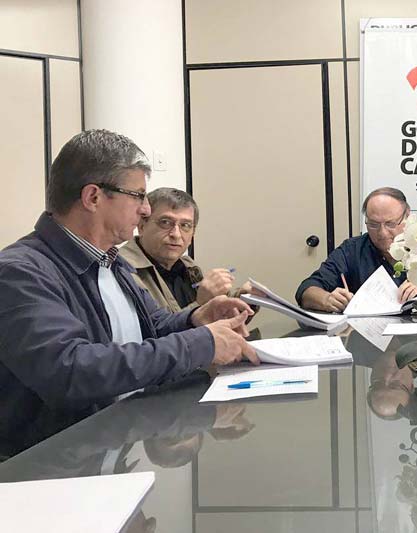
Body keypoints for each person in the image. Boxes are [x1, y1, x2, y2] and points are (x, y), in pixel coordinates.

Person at [0, 130, 259, 441]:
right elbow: (70, 371)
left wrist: (196, 319)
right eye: (138, 195)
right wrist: (201, 344)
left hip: (118, 441)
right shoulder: (20, 272)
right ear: (93, 197)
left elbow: (154, 327)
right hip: (52, 460)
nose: (146, 209)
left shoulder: (111, 261)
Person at [296, 187, 417, 312]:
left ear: (407, 217)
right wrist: (327, 299)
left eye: (390, 224)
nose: (382, 233)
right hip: (367, 336)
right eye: (373, 225)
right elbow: (306, 289)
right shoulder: (352, 251)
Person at [120, 187, 255, 312]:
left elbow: (219, 319)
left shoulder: (188, 266)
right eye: (165, 222)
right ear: (142, 226)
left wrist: (245, 298)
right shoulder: (122, 269)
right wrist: (201, 303)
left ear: (192, 234)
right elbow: (153, 328)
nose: (176, 234)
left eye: (185, 225)